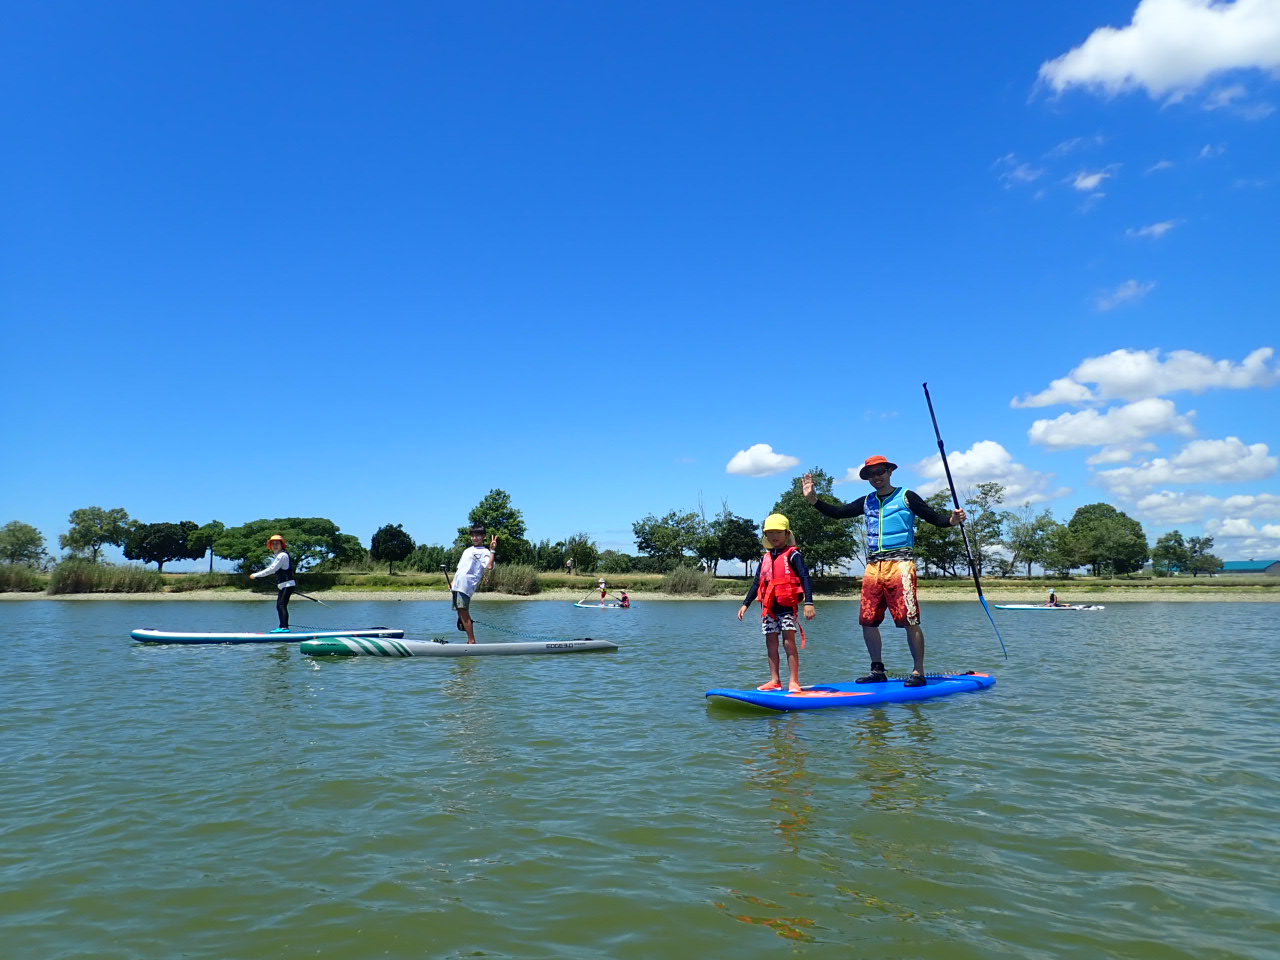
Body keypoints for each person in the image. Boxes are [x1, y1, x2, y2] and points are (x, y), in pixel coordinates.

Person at [802, 456, 964, 687]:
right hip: (873, 566)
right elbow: (839, 512)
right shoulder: (867, 501)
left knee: (909, 618)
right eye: (871, 474)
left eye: (880, 472)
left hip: (900, 564)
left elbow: (935, 518)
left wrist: (952, 519)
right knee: (868, 620)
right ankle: (877, 670)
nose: (876, 477)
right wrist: (813, 500)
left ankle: (918, 672)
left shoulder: (907, 496)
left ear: (889, 472)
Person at [737, 513, 816, 694]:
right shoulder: (765, 558)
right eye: (770, 533)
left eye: (778, 532)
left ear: (787, 534)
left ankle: (794, 681)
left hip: (787, 606)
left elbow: (804, 576)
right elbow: (757, 582)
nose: (774, 536)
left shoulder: (793, 554)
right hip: (769, 608)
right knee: (770, 643)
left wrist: (809, 602)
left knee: (789, 643)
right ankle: (775, 680)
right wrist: (745, 604)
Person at [451, 524, 497, 644]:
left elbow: (490, 566)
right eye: (473, 536)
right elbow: (460, 568)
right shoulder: (467, 551)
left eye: (478, 536)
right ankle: (469, 640)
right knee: (460, 611)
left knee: (463, 610)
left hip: (466, 585)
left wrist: (492, 550)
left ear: (483, 537)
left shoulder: (484, 552)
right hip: (457, 584)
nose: (475, 538)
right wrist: (453, 581)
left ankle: (472, 641)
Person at [249, 534, 296, 633]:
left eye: (277, 543)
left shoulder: (282, 555)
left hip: (287, 585)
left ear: (281, 545)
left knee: (281, 605)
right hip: (284, 585)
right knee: (280, 605)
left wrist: (256, 575)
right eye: (273, 544)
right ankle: (283, 627)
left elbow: (272, 569)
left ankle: (284, 628)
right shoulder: (279, 555)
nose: (275, 545)